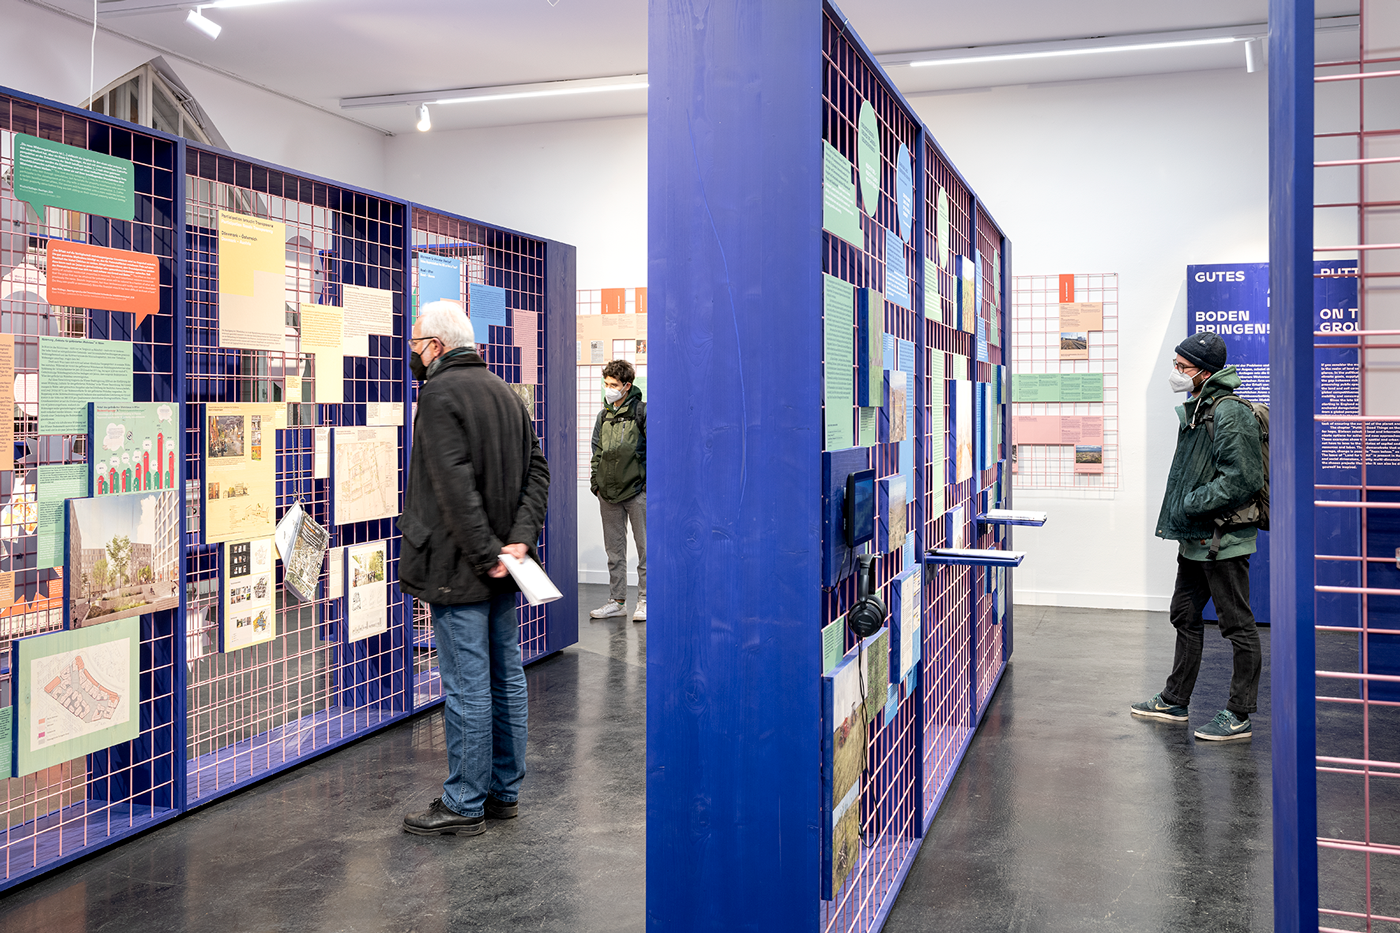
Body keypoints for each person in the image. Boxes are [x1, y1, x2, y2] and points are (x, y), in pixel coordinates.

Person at [399, 300, 551, 835]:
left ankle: (464, 802)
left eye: (416, 344)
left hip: (459, 568)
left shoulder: (439, 394)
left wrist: (488, 554)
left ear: (436, 346)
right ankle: (503, 793)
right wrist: (518, 543)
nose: (414, 353)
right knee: (506, 678)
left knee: (467, 687)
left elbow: (454, 487)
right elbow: (538, 471)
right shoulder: (505, 393)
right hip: (504, 566)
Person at [1133, 331, 1265, 742]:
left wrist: (1192, 502)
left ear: (1204, 372)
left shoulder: (1230, 412)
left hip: (1223, 541)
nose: (1175, 372)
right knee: (1184, 614)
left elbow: (1244, 478)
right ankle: (1175, 700)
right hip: (1196, 539)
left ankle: (1239, 714)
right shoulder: (1200, 407)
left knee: (1237, 625)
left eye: (1182, 366)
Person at [589, 359, 647, 622]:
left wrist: (646, 486)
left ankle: (645, 600)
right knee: (614, 552)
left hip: (636, 492)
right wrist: (596, 483)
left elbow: (653, 451)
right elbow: (597, 452)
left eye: (614, 384)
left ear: (627, 386)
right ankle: (617, 601)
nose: (609, 388)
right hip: (608, 494)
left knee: (645, 550)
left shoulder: (642, 412)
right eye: (606, 383)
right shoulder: (604, 416)